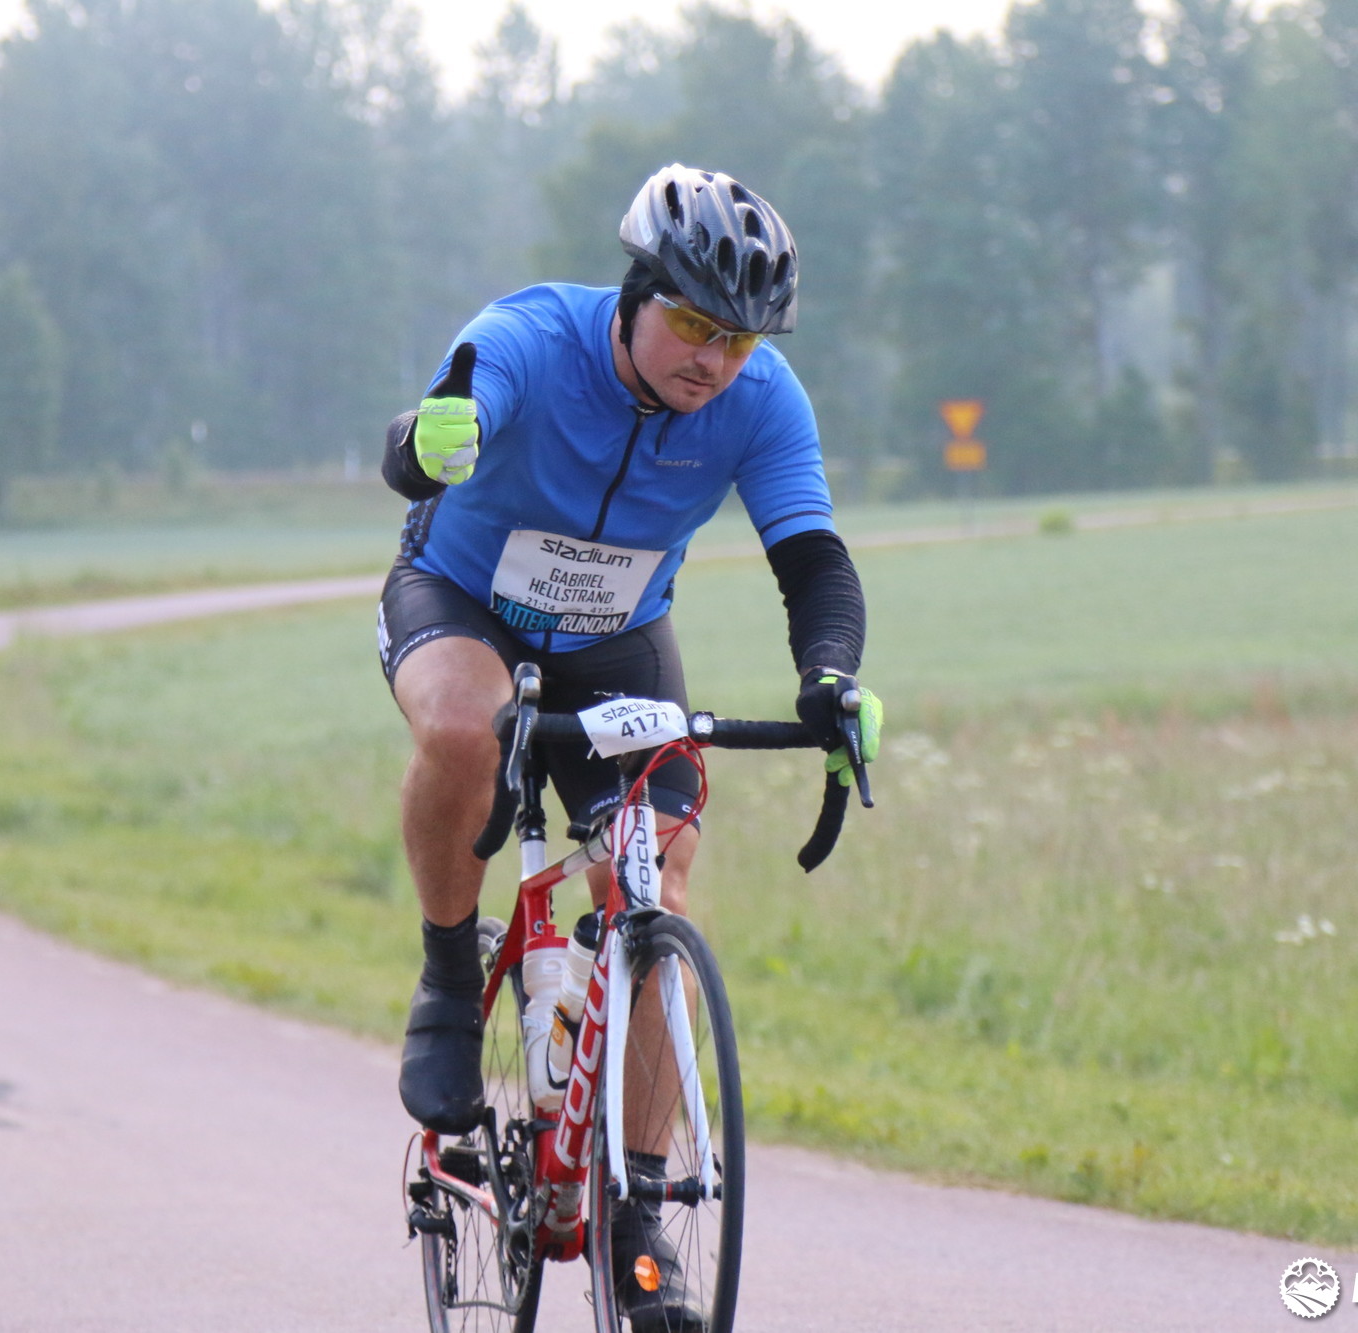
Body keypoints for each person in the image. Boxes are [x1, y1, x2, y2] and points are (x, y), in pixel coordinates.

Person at [375, 163, 880, 1327]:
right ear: (634, 293)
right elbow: (433, 426)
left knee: (653, 884)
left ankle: (637, 1211)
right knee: (461, 728)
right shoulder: (530, 337)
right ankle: (448, 980)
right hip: (464, 598)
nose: (714, 360)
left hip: (616, 637)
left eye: (738, 341)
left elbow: (811, 560)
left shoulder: (763, 402)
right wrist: (429, 441)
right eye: (694, 325)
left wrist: (829, 675)